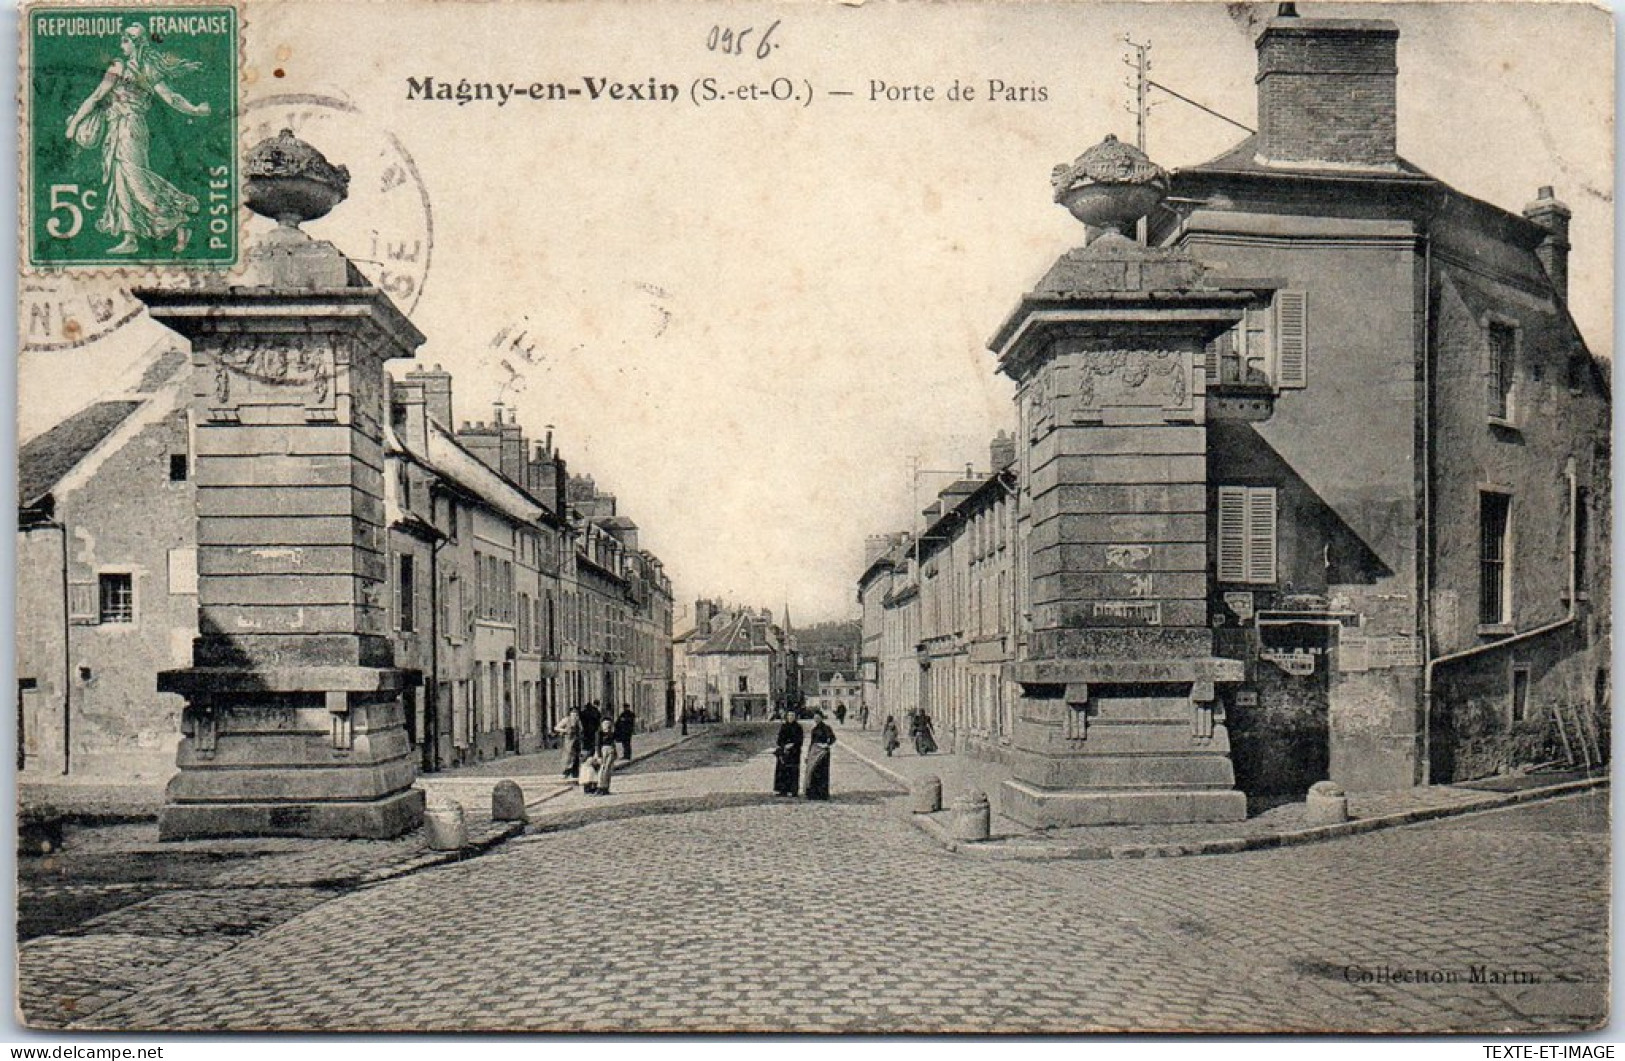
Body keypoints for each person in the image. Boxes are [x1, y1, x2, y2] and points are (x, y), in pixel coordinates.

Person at [65, 24, 211, 256]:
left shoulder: (120, 67)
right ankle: (131, 236)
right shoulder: (146, 69)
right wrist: (194, 109)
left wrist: (73, 125)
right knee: (122, 180)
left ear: (134, 43)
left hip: (128, 128)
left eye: (124, 40)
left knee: (135, 180)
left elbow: (96, 97)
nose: (121, 44)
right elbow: (171, 98)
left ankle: (178, 216)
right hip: (124, 128)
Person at [803, 713, 836, 800]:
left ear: (821, 718)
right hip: (814, 752)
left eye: (818, 718)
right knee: (813, 772)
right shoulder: (814, 729)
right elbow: (812, 742)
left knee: (823, 773)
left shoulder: (827, 728)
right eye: (815, 718)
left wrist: (826, 744)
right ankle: (813, 794)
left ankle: (823, 794)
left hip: (823, 753)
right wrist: (808, 754)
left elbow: (833, 738)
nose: (816, 719)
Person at [773, 710, 804, 797]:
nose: (791, 717)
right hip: (784, 752)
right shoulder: (783, 727)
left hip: (794, 752)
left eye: (792, 716)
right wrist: (784, 746)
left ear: (795, 717)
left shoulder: (798, 727)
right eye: (789, 715)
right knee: (782, 771)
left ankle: (793, 790)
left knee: (793, 771)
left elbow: (800, 740)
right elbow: (779, 740)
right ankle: (782, 790)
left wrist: (792, 745)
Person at [555, 705, 582, 779]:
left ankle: (575, 772)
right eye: (573, 713)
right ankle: (566, 772)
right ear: (570, 714)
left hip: (576, 740)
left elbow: (581, 729)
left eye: (576, 714)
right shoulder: (566, 720)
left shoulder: (578, 721)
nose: (575, 715)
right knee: (568, 756)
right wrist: (564, 730)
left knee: (576, 756)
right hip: (568, 740)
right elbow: (557, 728)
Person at [593, 717, 618, 795]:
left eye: (608, 724)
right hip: (603, 751)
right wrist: (599, 756)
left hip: (611, 750)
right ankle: (600, 787)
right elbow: (597, 745)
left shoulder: (611, 733)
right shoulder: (599, 733)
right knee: (602, 769)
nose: (607, 725)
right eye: (605, 724)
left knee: (608, 769)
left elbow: (614, 742)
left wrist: (615, 752)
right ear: (602, 724)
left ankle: (606, 787)